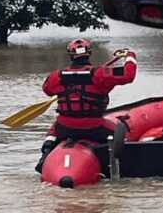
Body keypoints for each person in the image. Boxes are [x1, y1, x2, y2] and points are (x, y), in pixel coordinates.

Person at [35, 39, 137, 173]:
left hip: (65, 128)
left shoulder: (56, 76)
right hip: (95, 127)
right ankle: (124, 163)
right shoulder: (100, 74)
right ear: (89, 53)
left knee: (53, 129)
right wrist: (130, 56)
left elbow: (47, 90)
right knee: (121, 133)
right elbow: (128, 75)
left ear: (70, 55)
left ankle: (46, 152)